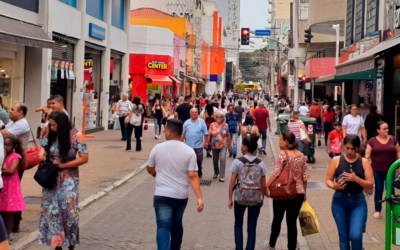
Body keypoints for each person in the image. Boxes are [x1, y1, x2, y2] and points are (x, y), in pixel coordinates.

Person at [147, 119, 204, 250]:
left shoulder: (158, 148)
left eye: (165, 129)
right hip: (181, 196)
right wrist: (200, 198)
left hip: (162, 195)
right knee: (177, 223)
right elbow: (193, 175)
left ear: (168, 131)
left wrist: (155, 173)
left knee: (163, 226)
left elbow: (150, 168)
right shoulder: (189, 151)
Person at [38, 111, 89, 249]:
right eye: (50, 124)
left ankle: (71, 243)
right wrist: (42, 151)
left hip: (68, 180)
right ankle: (57, 244)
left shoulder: (76, 136)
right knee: (52, 212)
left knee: (69, 212)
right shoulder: (51, 134)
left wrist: (64, 165)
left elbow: (84, 158)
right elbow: (42, 146)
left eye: (54, 125)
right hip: (51, 179)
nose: (52, 127)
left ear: (62, 124)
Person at [326, 135, 373, 250]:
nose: (350, 151)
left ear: (357, 148)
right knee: (344, 236)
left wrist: (356, 179)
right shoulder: (336, 160)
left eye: (352, 149)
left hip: (358, 201)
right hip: (339, 202)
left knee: (356, 235)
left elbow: (370, 184)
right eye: (347, 148)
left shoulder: (364, 162)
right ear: (343, 146)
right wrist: (334, 186)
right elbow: (328, 179)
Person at [265, 132, 309, 250]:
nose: (279, 142)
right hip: (298, 194)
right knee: (292, 223)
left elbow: (276, 172)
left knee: (277, 219)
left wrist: (266, 186)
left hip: (282, 192)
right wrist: (304, 193)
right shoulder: (302, 156)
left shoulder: (282, 154)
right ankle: (291, 247)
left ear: (286, 142)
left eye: (280, 139)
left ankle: (271, 244)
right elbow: (305, 177)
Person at [229, 133, 267, 250]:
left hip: (240, 197)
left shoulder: (237, 162)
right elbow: (263, 184)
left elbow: (232, 182)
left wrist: (230, 199)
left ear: (245, 147)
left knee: (238, 224)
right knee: (252, 227)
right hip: (255, 198)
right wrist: (262, 198)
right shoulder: (260, 163)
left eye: (242, 144)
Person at [366, 121, 400, 219]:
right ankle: (378, 210)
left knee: (391, 189)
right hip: (377, 169)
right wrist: (365, 166)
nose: (387, 130)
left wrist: (399, 165)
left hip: (391, 169)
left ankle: (392, 208)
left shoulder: (393, 139)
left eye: (387, 128)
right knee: (379, 189)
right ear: (378, 130)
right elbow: (367, 155)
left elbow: (398, 152)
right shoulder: (372, 141)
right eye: (384, 128)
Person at [0, 135, 26, 239]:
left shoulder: (16, 157)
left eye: (8, 145)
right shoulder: (3, 155)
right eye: (4, 145)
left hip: (10, 186)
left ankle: (8, 233)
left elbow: (10, 171)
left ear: (15, 146)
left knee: (9, 211)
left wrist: (1, 170)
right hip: (3, 184)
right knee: (2, 210)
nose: (5, 147)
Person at [181, 108, 209, 178]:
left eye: (195, 112)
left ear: (198, 113)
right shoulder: (186, 123)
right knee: (188, 161)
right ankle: (190, 173)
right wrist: (179, 143)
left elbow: (206, 134)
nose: (194, 113)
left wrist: (206, 143)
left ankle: (199, 170)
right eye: (192, 112)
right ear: (190, 114)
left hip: (198, 146)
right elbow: (183, 134)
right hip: (188, 146)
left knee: (199, 160)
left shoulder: (202, 122)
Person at [209, 111, 233, 182]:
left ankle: (222, 176)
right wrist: (207, 143)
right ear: (215, 118)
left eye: (220, 117)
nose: (219, 118)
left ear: (223, 118)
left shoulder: (226, 125)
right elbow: (209, 134)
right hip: (214, 145)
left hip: (223, 145)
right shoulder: (212, 125)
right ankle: (216, 172)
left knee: (223, 159)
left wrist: (230, 145)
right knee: (215, 159)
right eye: (217, 117)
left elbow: (228, 135)